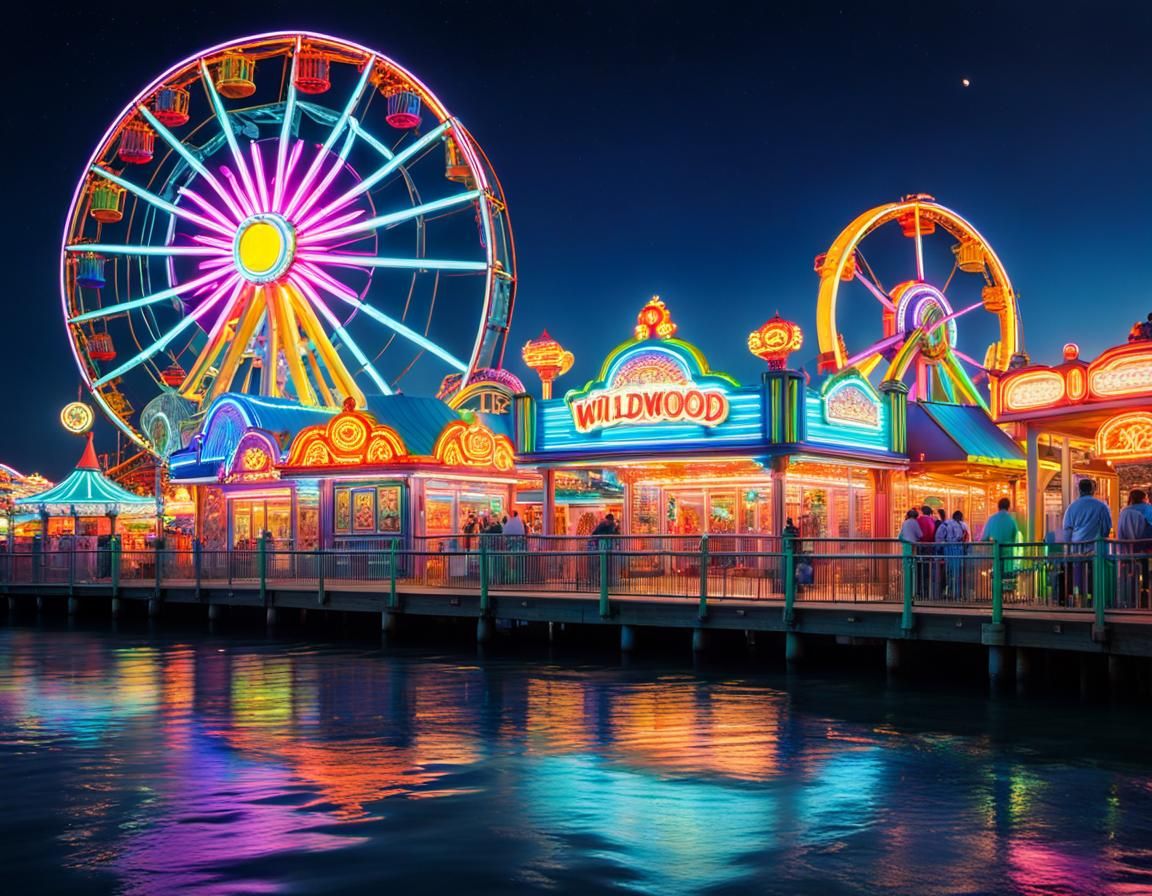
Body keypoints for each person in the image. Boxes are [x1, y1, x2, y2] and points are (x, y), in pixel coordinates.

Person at [1062, 478, 1113, 601]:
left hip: (1077, 551)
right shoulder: (1101, 506)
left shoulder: (1071, 507)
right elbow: (1107, 527)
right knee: (1096, 580)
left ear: (1079, 490)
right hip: (1097, 550)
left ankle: (1080, 602)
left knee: (1079, 581)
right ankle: (1097, 603)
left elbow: (1067, 531)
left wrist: (1067, 551)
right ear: (1093, 490)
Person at [1117, 489, 1152, 608]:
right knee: (1146, 569)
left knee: (1129, 570)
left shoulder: (1124, 511)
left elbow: (1120, 532)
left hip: (1127, 548)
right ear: (1144, 498)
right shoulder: (1148, 509)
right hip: (1145, 546)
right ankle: (1145, 593)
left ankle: (1129, 596)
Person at [935, 510, 966, 598]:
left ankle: (948, 593)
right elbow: (961, 539)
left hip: (947, 551)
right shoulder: (960, 525)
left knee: (948, 573)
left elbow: (938, 537)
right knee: (956, 573)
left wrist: (938, 549)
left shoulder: (946, 524)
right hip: (957, 552)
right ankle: (956, 594)